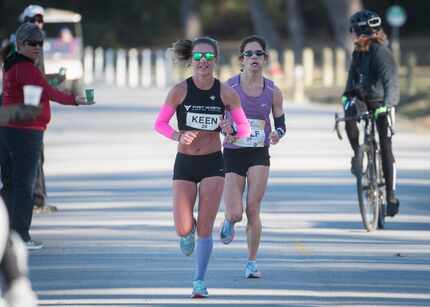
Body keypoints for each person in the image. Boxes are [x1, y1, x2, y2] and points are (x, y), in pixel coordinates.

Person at [154, 36, 250, 298]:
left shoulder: (226, 92)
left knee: (205, 228)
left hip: (212, 163)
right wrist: (176, 136)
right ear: (191, 59)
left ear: (216, 60)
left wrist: (231, 131)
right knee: (184, 229)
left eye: (208, 57)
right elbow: (159, 124)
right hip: (185, 163)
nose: (203, 62)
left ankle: (199, 280)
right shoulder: (179, 91)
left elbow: (244, 128)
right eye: (198, 57)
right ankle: (186, 233)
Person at [0, 23, 91, 250]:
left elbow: (38, 86)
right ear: (20, 43)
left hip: (10, 129)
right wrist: (74, 100)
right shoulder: (27, 68)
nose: (37, 47)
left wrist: (49, 82)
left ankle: (8, 232)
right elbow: (47, 92)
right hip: (26, 132)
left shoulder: (13, 63)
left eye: (40, 43)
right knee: (24, 186)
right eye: (32, 43)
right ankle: (20, 236)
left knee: (11, 184)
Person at [219, 35, 286, 279]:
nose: (254, 58)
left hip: (259, 151)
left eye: (259, 53)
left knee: (253, 208)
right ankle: (228, 220)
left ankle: (251, 262)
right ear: (241, 59)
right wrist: (224, 125)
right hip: (233, 152)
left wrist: (277, 134)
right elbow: (218, 118)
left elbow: (280, 123)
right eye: (249, 54)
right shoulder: (229, 87)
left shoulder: (273, 91)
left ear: (265, 58)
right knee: (236, 212)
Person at [343, 10, 400, 217]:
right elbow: (351, 79)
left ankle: (391, 194)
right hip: (363, 99)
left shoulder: (380, 52)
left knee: (385, 145)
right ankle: (358, 154)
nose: (352, 35)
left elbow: (391, 82)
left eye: (353, 31)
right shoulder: (359, 51)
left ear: (360, 31)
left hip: (382, 102)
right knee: (348, 115)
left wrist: (388, 104)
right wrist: (346, 96)